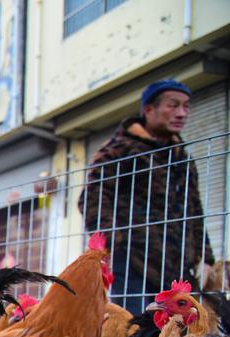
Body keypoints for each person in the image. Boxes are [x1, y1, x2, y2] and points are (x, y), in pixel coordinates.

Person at [80, 80, 214, 314]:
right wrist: (115, 244)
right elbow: (93, 198)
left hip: (178, 264)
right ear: (149, 110)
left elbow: (195, 208)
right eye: (173, 106)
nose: (181, 113)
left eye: (186, 106)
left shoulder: (182, 157)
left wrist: (205, 257)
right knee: (133, 335)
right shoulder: (119, 150)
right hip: (134, 263)